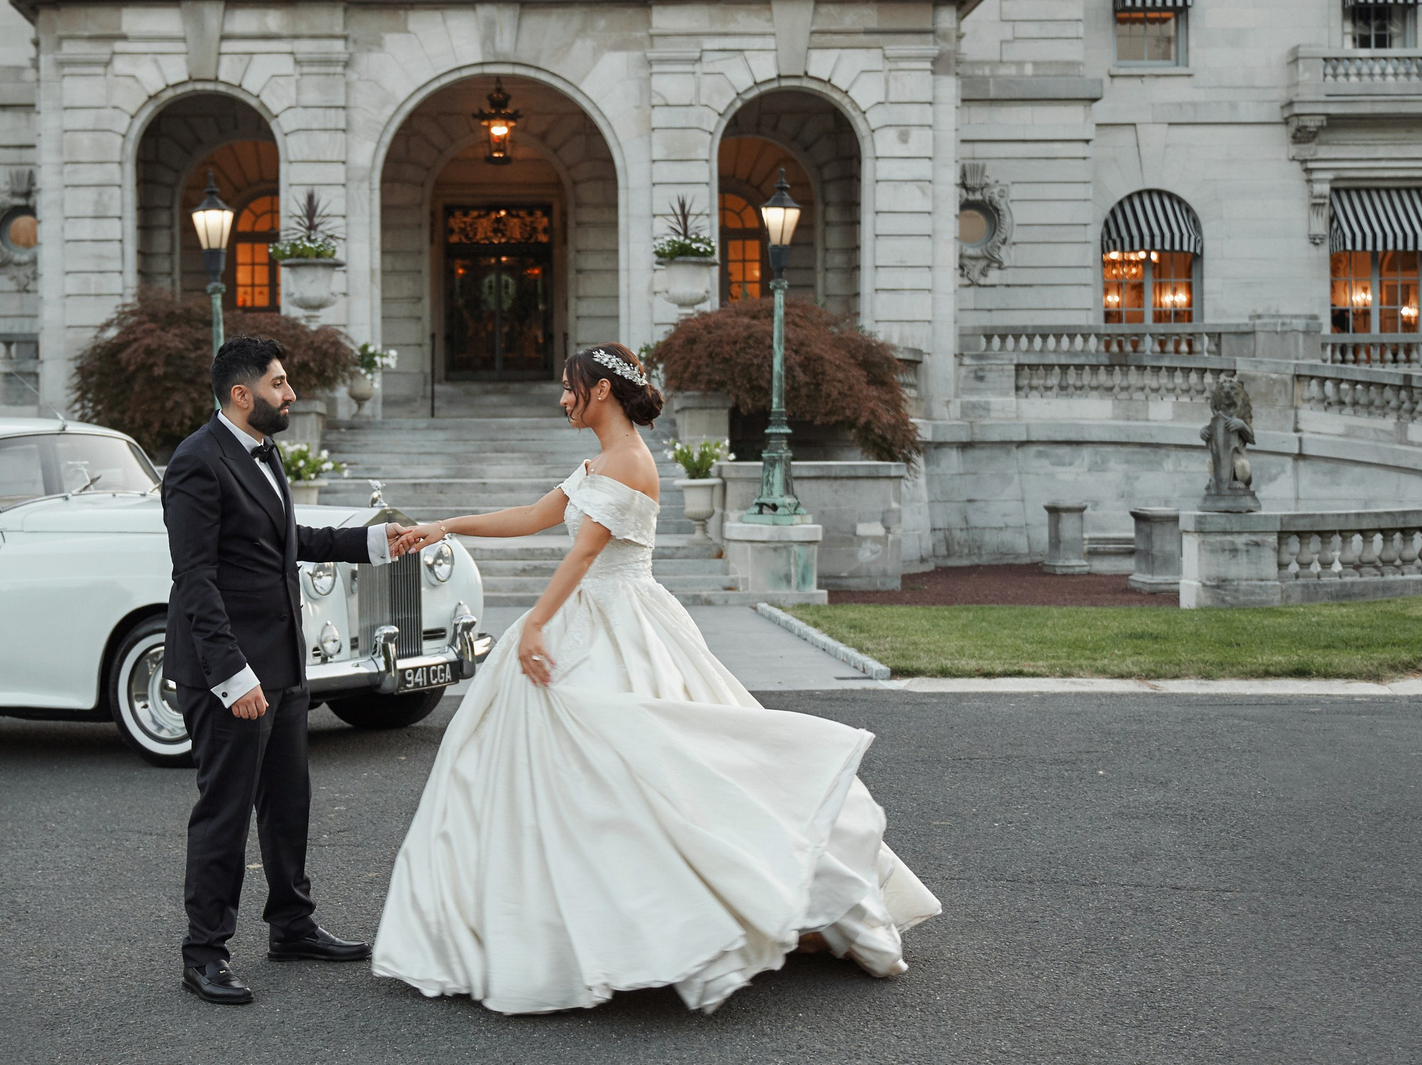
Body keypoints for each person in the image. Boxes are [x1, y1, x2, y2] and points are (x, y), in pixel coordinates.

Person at [374, 343, 940, 1015]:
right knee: (598, 774)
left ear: (603, 391)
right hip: (592, 616)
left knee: (655, 765)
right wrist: (441, 527)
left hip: (621, 622)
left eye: (569, 388)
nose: (562, 400)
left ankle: (696, 916)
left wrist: (533, 626)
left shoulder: (630, 462)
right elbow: (531, 518)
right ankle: (579, 923)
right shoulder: (596, 464)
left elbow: (584, 556)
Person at [160, 336, 412, 1006]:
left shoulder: (262, 454)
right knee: (225, 812)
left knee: (287, 805)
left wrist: (375, 541)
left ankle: (291, 925)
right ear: (242, 395)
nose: (291, 393)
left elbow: (285, 544)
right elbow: (196, 577)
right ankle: (204, 951)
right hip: (233, 675)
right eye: (278, 384)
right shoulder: (196, 463)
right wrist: (232, 674)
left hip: (283, 665)